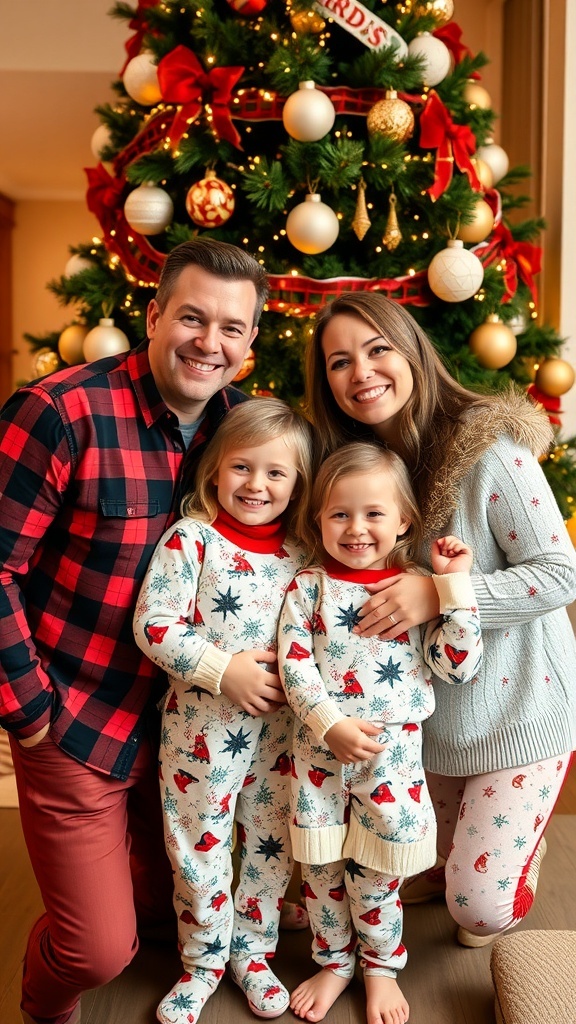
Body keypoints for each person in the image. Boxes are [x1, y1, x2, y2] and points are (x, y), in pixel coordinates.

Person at [0, 237, 270, 1024]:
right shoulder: (59, 413)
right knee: (96, 950)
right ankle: (40, 1006)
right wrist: (32, 712)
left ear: (250, 344)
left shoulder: (239, 433)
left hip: (189, 720)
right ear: (153, 317)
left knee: (168, 903)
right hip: (77, 715)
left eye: (230, 328)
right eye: (191, 317)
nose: (207, 343)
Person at [305, 291, 576, 953]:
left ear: (413, 353)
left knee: (476, 910)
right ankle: (464, 851)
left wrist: (441, 595)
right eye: (339, 362)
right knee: (407, 863)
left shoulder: (492, 452)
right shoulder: (359, 476)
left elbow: (562, 573)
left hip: (521, 712)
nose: (360, 372)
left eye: (377, 350)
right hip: (429, 728)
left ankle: (516, 864)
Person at [278, 442, 483, 1024]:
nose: (356, 528)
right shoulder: (309, 587)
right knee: (319, 869)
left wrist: (455, 589)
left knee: (378, 870)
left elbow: (457, 665)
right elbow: (294, 664)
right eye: (339, 513)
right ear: (317, 519)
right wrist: (329, 723)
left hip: (392, 759)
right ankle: (334, 960)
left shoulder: (418, 588)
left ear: (404, 521)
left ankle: (379, 967)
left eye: (373, 513)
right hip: (318, 750)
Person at [133, 397, 313, 1024]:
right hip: (200, 735)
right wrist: (221, 668)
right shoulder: (192, 541)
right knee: (196, 845)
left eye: (275, 473)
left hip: (283, 738)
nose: (256, 485)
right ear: (214, 470)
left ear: (297, 484)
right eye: (242, 468)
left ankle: (253, 951)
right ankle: (204, 960)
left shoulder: (303, 557)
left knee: (269, 843)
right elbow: (154, 624)